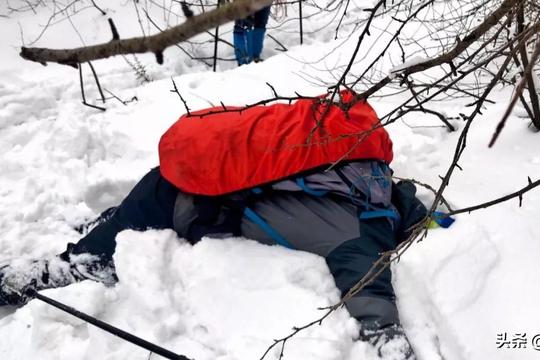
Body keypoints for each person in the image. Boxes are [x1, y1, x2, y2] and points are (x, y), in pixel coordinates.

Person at [0, 91, 446, 359]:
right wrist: (393, 346)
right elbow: (375, 309)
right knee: (94, 260)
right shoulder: (360, 235)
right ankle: (51, 273)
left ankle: (107, 227)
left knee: (131, 214)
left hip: (181, 188)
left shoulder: (367, 172)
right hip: (189, 206)